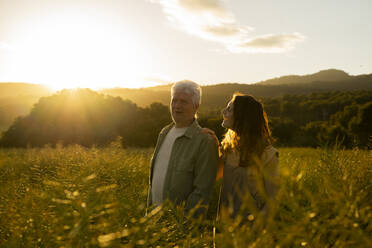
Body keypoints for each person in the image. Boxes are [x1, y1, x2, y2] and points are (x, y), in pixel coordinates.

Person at [147, 80, 219, 217]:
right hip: (153, 221)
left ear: (196, 106)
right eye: (174, 100)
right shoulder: (164, 133)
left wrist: (185, 226)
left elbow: (202, 191)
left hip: (179, 226)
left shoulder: (204, 141)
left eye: (184, 102)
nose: (177, 106)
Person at [209, 93, 279, 222]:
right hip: (224, 226)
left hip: (250, 231)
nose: (223, 111)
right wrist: (212, 145)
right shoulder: (228, 149)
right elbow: (215, 176)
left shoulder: (267, 154)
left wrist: (256, 229)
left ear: (242, 116)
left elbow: (273, 200)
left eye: (229, 109)